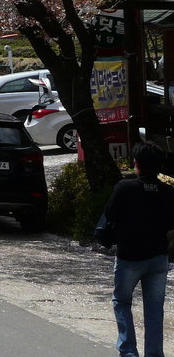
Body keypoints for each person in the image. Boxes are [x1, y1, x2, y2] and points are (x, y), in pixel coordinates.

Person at [101, 141, 174, 357]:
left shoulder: (125, 187)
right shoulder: (168, 192)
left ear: (137, 164)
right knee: (154, 310)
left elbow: (110, 215)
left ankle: (128, 351)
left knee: (121, 302)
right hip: (158, 258)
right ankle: (154, 354)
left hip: (129, 258)